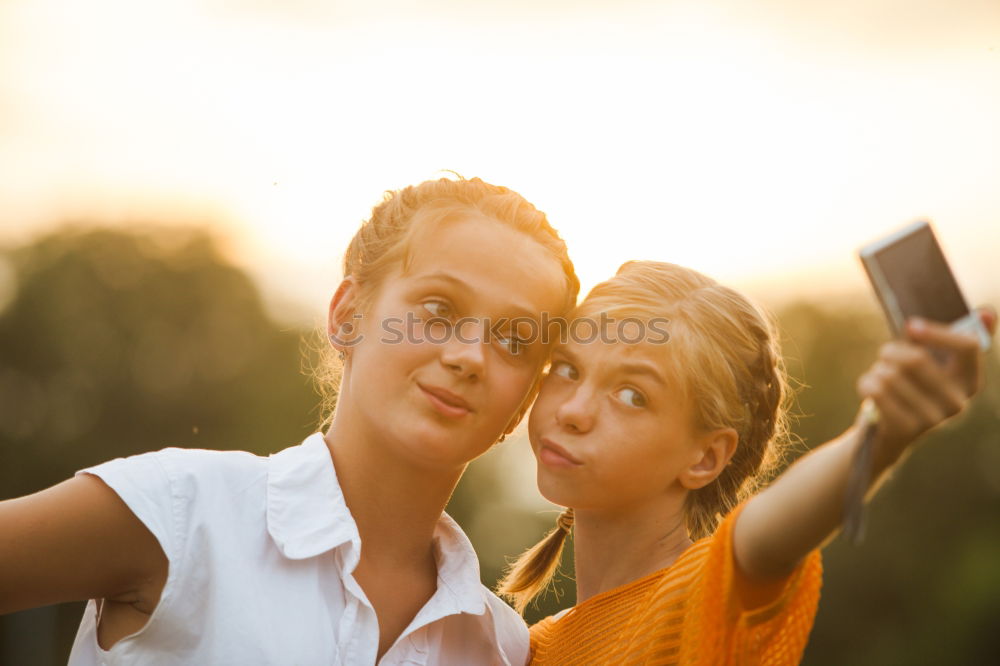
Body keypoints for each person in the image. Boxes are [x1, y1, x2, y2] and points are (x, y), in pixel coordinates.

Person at [0, 176, 579, 664]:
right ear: (348, 315)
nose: (468, 356)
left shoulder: (501, 647)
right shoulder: (180, 511)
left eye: (513, 339)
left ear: (525, 400)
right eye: (438, 310)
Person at [498, 261, 995, 665]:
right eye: (566, 368)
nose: (573, 410)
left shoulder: (707, 599)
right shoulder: (532, 646)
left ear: (705, 457)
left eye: (632, 394)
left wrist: (880, 434)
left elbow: (765, 537)